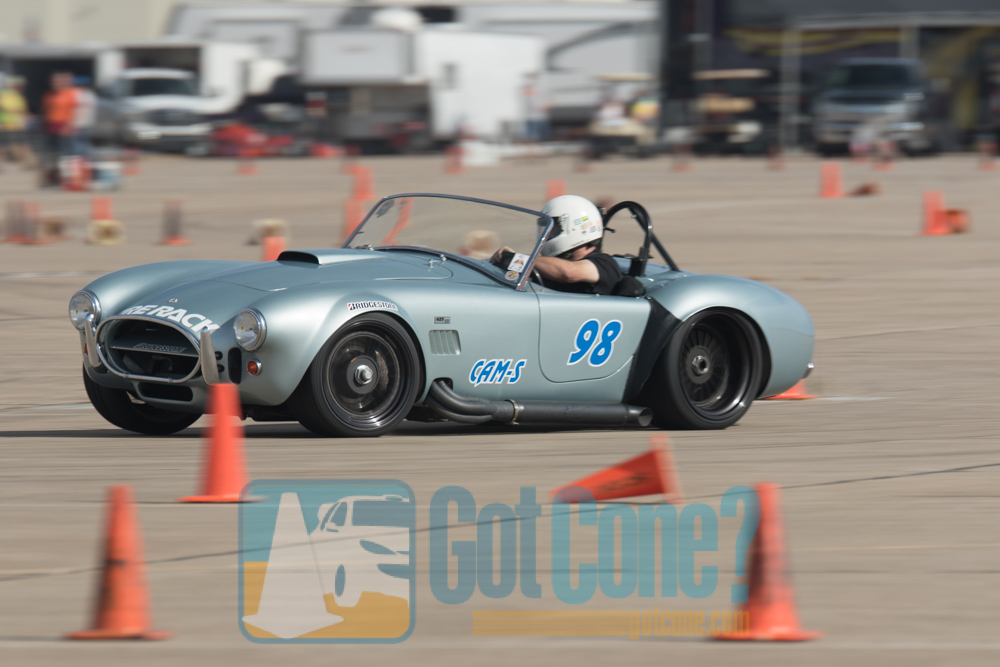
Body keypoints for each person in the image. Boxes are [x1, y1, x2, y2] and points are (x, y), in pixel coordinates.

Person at [491, 194, 623, 295]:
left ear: (576, 227)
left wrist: (519, 259)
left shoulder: (604, 263)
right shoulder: (550, 266)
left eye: (553, 229)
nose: (547, 234)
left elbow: (570, 272)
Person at [0, 76, 37, 169]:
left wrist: (26, 115)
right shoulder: (7, 95)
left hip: (17, 125)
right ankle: (29, 163)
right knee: (15, 146)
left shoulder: (17, 96)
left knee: (18, 145)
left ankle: (29, 163)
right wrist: (26, 115)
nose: (22, 87)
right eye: (19, 86)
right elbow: (9, 109)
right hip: (9, 125)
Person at [70, 76, 97, 160]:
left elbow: (81, 112)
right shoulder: (90, 95)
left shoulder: (79, 95)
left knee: (78, 145)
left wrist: (75, 124)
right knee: (85, 144)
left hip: (80, 124)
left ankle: (81, 161)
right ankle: (87, 160)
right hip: (87, 124)